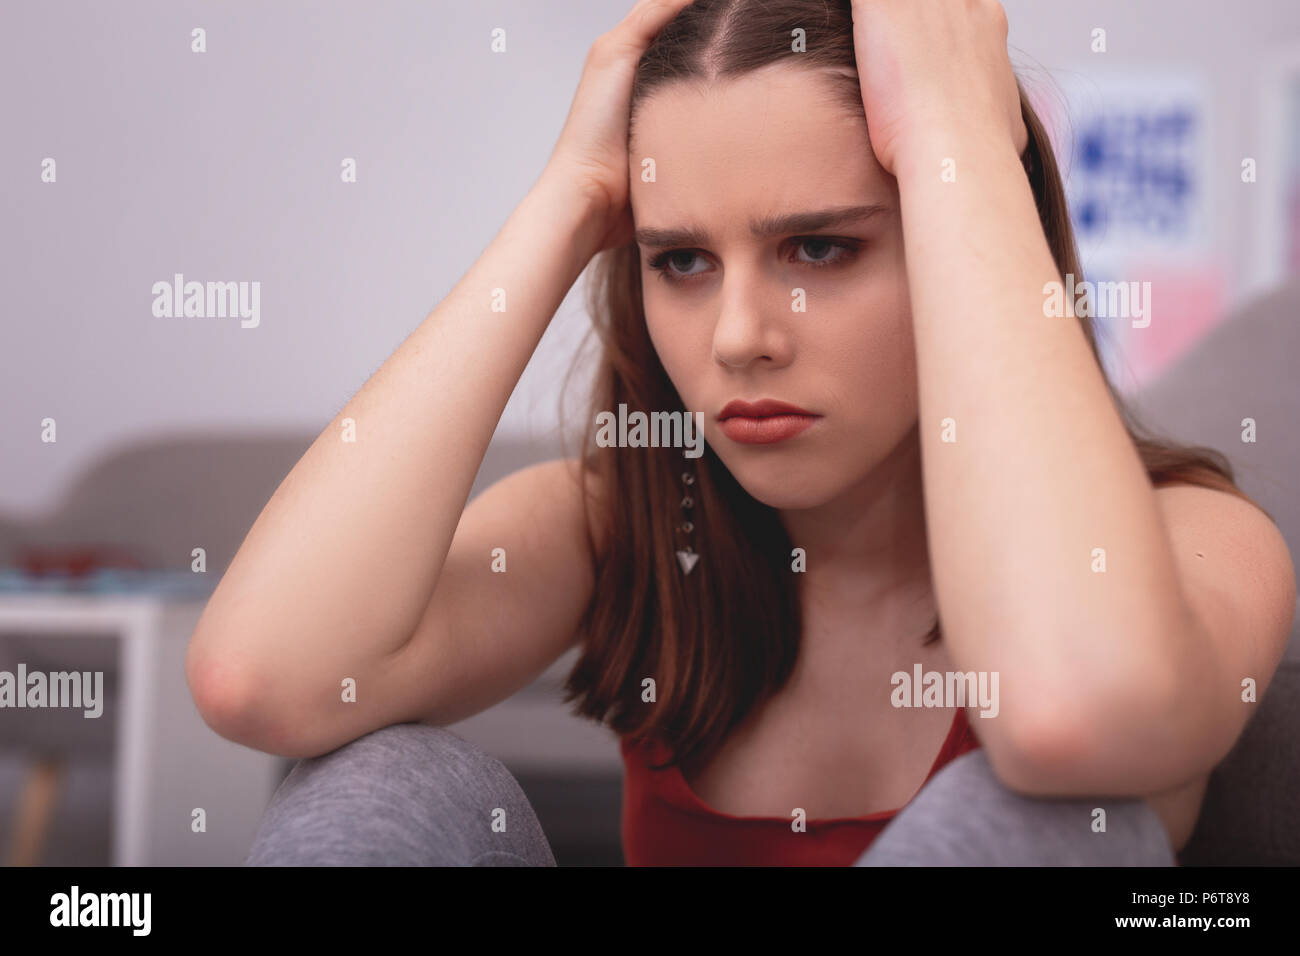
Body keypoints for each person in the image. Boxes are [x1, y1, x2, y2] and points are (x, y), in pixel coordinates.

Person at [186, 0, 1297, 866]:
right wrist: (566, 200)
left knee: (1042, 812)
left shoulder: (1197, 541)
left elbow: (1071, 716)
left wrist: (958, 131)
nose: (739, 337)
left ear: (962, 227)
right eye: (679, 259)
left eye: (819, 248)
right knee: (387, 779)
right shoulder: (619, 525)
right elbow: (263, 679)